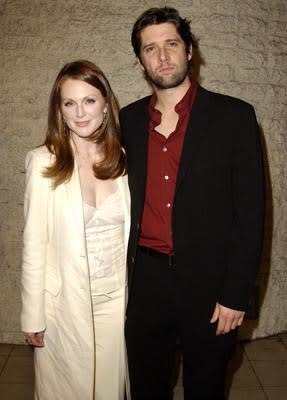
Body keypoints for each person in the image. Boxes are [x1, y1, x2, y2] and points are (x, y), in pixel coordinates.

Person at [120, 7, 265, 400]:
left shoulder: (235, 117)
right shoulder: (127, 122)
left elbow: (251, 215)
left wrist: (237, 293)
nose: (162, 56)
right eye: (151, 49)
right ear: (140, 63)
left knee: (207, 387)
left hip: (211, 283)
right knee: (146, 387)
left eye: (171, 44)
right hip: (145, 282)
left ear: (189, 52)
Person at [21, 60, 130, 400]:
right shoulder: (43, 162)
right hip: (64, 306)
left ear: (105, 104)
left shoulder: (122, 160)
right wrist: (32, 316)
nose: (80, 113)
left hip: (115, 303)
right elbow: (34, 245)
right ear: (59, 110)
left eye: (89, 100)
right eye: (69, 103)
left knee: (108, 390)